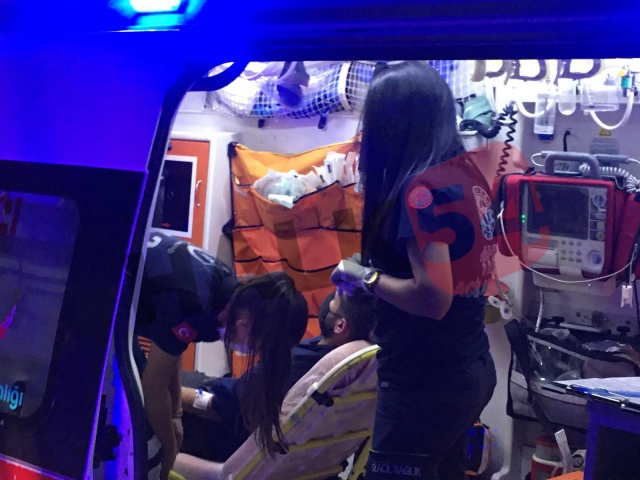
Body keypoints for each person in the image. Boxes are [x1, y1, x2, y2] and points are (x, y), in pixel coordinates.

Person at [331, 61, 498, 480]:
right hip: (468, 366)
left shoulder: (420, 191)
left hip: (424, 383)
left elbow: (433, 297)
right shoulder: (465, 177)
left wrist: (363, 277)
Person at [134, 231, 308, 480]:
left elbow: (173, 348)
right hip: (97, 279)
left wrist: (176, 414)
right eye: (259, 348)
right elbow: (153, 384)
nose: (253, 353)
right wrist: (169, 446)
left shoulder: (224, 287)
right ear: (245, 325)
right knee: (141, 422)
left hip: (123, 276)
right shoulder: (194, 305)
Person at [178, 288, 378, 463]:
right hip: (237, 399)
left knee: (166, 385)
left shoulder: (299, 365)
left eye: (334, 299)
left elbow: (217, 406)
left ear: (340, 326)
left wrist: (167, 392)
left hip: (221, 430)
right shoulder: (354, 364)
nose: (328, 300)